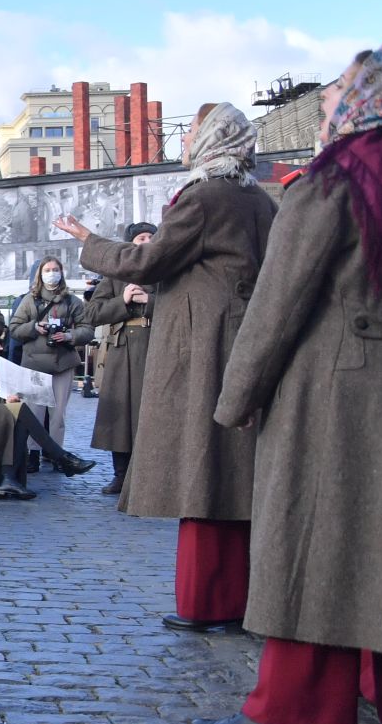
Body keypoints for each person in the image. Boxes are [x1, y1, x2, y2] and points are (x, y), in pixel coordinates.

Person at [193, 46, 382, 724]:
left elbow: (280, 300)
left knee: (315, 550)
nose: (324, 114)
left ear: (361, 103)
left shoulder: (335, 179)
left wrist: (237, 400)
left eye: (329, 103)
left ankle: (286, 709)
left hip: (335, 389)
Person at [57, 102, 277, 632]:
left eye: (192, 133)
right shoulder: (258, 199)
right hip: (240, 341)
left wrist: (89, 242)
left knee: (202, 471)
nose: (183, 143)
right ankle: (244, 601)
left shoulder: (203, 197)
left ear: (209, 141)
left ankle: (207, 603)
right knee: (239, 473)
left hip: (204, 347)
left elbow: (147, 261)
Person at [0, 309, 92, 501]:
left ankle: (9, 479)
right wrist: (1, 394)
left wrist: (10, 391)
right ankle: (61, 457)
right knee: (19, 411)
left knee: (19, 416)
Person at [83, 224, 157, 494]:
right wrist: (123, 301)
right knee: (119, 416)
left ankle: (148, 478)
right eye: (140, 238)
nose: (146, 242)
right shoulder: (115, 275)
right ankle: (121, 476)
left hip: (153, 349)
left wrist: (150, 301)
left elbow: (178, 307)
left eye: (151, 237)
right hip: (121, 350)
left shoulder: (166, 270)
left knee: (148, 416)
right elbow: (91, 313)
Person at [6, 254, 95, 451]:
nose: (51, 274)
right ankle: (33, 453)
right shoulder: (29, 300)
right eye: (47, 270)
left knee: (58, 416)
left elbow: (87, 330)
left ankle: (56, 453)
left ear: (61, 273)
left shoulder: (72, 301)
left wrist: (69, 336)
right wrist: (34, 327)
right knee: (34, 412)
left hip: (62, 363)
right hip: (34, 366)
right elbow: (14, 328)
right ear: (40, 275)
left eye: (55, 270)